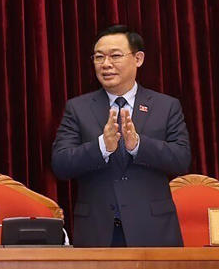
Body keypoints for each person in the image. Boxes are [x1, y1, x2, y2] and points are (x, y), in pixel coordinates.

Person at [52, 25, 191, 247]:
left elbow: (181, 159)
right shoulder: (77, 108)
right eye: (99, 57)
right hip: (97, 230)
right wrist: (101, 147)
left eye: (115, 56)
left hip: (153, 230)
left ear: (138, 59)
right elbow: (60, 164)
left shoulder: (166, 106)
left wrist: (138, 145)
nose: (106, 64)